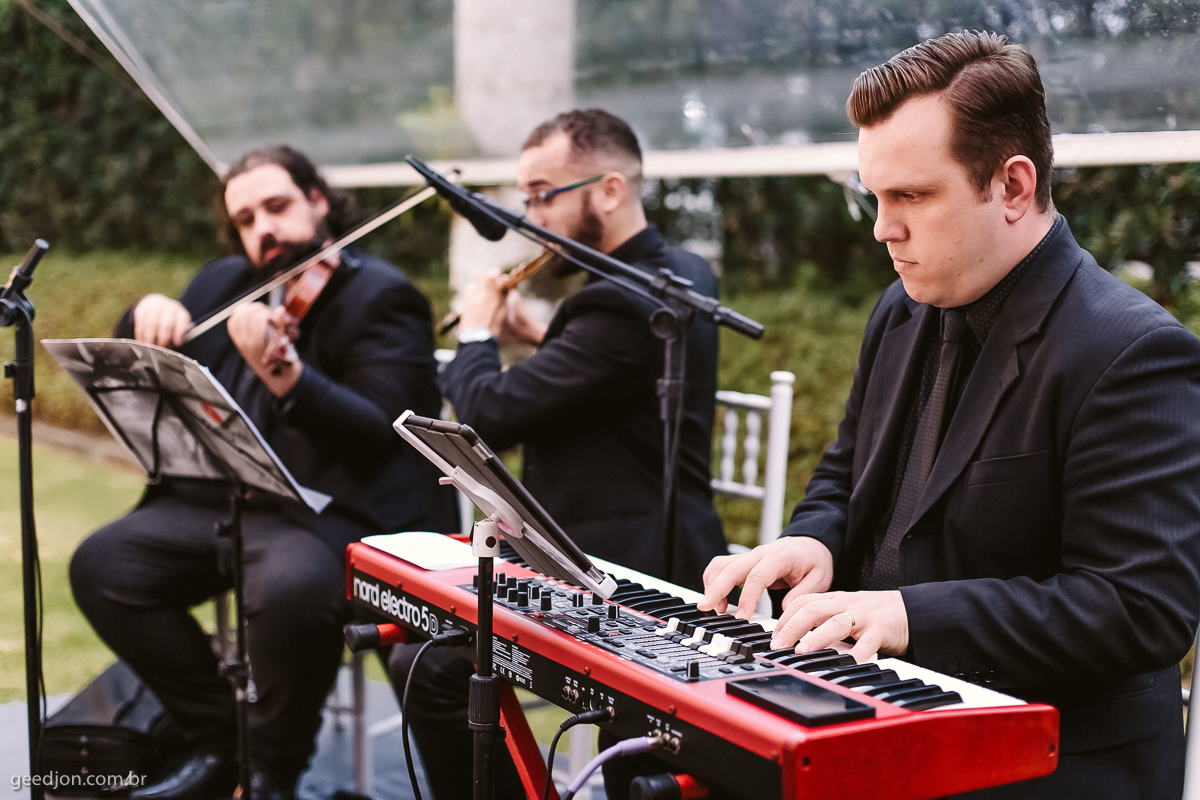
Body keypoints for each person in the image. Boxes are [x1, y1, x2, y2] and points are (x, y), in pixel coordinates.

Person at [698, 32, 1200, 799]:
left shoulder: (1132, 350)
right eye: (873, 196)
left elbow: (1138, 608)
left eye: (911, 197)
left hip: (1047, 764)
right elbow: (846, 471)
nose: (882, 228)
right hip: (881, 719)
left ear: (1013, 186)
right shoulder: (900, 311)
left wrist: (910, 616)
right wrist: (814, 539)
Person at [70, 145, 455, 800]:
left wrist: (288, 378)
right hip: (225, 499)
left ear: (318, 200)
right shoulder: (222, 283)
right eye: (246, 219)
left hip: (334, 514)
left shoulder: (381, 297)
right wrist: (142, 317)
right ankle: (221, 739)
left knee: (290, 588)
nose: (263, 229)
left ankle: (271, 774)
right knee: (105, 565)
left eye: (276, 206)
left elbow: (383, 435)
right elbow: (158, 372)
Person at [389, 109, 727, 800]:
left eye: (543, 194)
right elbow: (611, 379)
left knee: (429, 670)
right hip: (630, 537)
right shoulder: (680, 271)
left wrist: (477, 334)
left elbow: (489, 416)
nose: (532, 217)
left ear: (609, 189)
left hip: (622, 565)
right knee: (427, 657)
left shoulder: (621, 303)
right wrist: (540, 338)